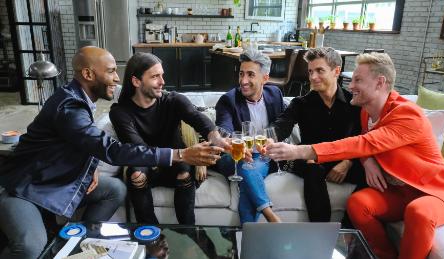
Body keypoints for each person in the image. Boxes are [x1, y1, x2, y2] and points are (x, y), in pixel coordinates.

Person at [0, 46, 223, 259]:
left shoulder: (80, 101)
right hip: (24, 189)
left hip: (55, 182)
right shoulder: (70, 107)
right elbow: (110, 149)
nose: (117, 78)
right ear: (88, 74)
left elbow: (80, 142)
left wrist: (90, 166)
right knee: (30, 248)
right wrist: (180, 155)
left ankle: (78, 241)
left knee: (114, 189)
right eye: (111, 71)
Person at [266, 52, 444, 259]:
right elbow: (365, 141)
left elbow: (364, 142)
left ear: (380, 83)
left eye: (358, 80)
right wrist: (368, 161)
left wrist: (297, 150)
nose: (350, 86)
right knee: (358, 203)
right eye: (310, 71)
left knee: (418, 212)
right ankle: (381, 256)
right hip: (398, 192)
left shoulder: (407, 114)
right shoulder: (366, 110)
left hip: (434, 192)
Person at [110, 52, 228, 225]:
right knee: (136, 173)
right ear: (136, 81)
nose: (162, 82)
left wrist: (217, 139)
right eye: (155, 76)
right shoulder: (120, 112)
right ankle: (151, 233)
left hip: (178, 162)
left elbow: (199, 119)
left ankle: (188, 229)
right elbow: (138, 148)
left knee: (184, 171)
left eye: (162, 75)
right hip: (146, 162)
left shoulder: (173, 100)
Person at [271, 47, 366, 224]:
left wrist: (347, 162)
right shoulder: (301, 103)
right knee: (312, 169)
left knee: (373, 174)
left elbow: (362, 138)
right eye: (310, 71)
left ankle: (347, 232)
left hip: (343, 160)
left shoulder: (354, 104)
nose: (313, 77)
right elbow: (281, 126)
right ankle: (320, 232)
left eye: (320, 71)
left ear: (336, 71)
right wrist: (269, 137)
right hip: (311, 161)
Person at [215, 48, 285, 223]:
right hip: (233, 157)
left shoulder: (275, 94)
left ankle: (245, 239)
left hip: (262, 157)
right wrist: (229, 141)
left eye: (251, 75)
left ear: (265, 79)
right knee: (247, 167)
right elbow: (224, 128)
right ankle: (270, 215)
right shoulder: (228, 100)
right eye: (241, 74)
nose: (243, 81)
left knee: (248, 185)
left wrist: (272, 141)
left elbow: (282, 125)